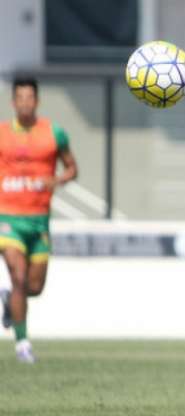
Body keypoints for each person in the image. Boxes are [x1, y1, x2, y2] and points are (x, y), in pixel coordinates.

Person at [0, 77, 78, 363]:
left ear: (37, 101)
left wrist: (57, 179)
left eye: (29, 97)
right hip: (7, 218)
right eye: (19, 98)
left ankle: (9, 301)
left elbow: (72, 168)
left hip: (39, 221)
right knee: (18, 277)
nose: (24, 103)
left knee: (33, 287)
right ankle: (23, 346)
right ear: (13, 102)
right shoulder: (2, 134)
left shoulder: (54, 134)